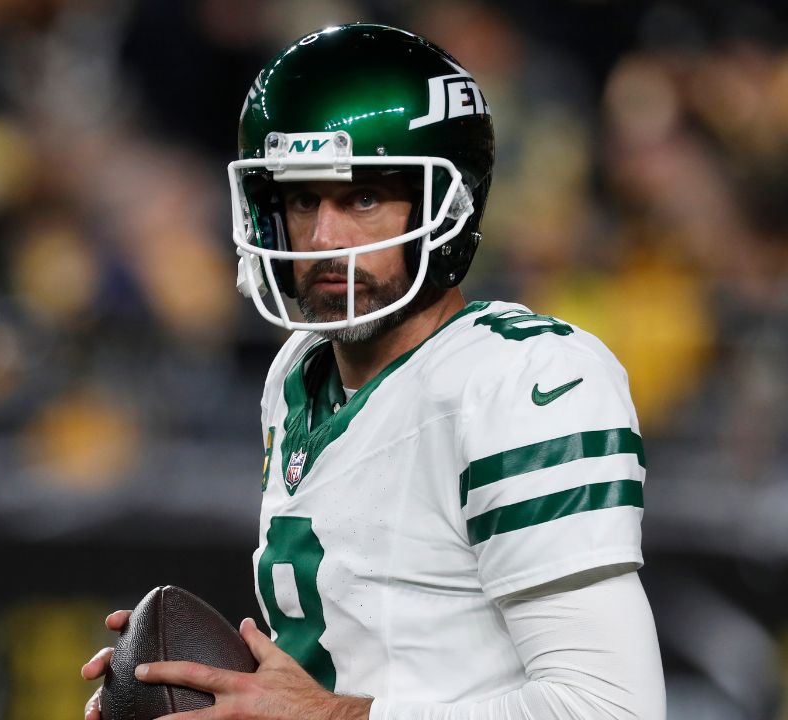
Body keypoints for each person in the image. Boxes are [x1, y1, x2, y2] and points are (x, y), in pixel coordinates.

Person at [81, 23, 665, 719]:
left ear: (446, 207)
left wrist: (325, 718)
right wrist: (200, 687)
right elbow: (368, 657)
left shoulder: (523, 381)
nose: (326, 238)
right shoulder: (298, 371)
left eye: (362, 199)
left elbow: (610, 708)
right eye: (303, 200)